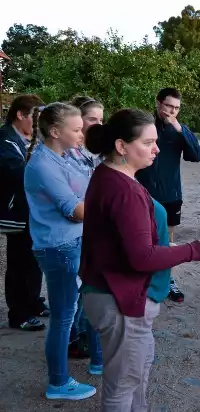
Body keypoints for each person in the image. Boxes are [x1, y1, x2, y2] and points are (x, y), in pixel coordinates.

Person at [80, 108, 200, 410]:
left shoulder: (111, 176)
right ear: (121, 146)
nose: (156, 148)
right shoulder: (122, 188)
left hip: (115, 294)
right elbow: (141, 257)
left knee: (135, 377)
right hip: (119, 299)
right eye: (147, 142)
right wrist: (192, 250)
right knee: (121, 387)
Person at [23, 103, 97, 400]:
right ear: (55, 132)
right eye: (77, 129)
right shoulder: (43, 164)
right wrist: (105, 206)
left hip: (73, 241)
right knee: (63, 316)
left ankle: (82, 365)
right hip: (60, 247)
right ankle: (58, 382)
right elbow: (76, 209)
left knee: (77, 308)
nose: (82, 134)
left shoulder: (64, 156)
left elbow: (86, 192)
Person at [136, 87, 200, 303]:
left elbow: (196, 156)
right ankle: (141, 281)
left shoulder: (179, 130)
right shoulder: (144, 126)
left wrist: (180, 129)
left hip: (171, 194)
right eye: (168, 106)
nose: (172, 111)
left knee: (166, 241)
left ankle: (167, 281)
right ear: (158, 104)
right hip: (143, 192)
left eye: (176, 108)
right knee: (141, 239)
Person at [0, 94, 49, 332]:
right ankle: (18, 313)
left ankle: (33, 302)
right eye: (34, 117)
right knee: (19, 262)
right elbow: (19, 174)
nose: (36, 123)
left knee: (35, 259)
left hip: (33, 210)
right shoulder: (5, 140)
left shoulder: (29, 138)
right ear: (20, 115)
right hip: (16, 211)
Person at [65, 96, 104, 360]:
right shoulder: (70, 152)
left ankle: (81, 333)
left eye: (102, 119)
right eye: (93, 119)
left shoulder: (91, 150)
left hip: (89, 226)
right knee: (77, 286)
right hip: (76, 227)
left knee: (86, 284)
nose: (98, 124)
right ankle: (73, 338)